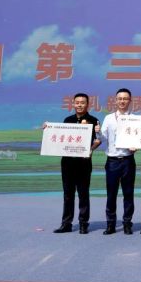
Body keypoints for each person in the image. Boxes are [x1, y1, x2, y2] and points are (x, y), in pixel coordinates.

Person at [50, 93, 101, 234]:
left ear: (88, 104)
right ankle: (66, 223)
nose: (79, 105)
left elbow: (98, 140)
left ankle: (84, 223)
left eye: (82, 102)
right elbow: (61, 138)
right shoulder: (68, 120)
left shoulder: (94, 120)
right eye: (77, 102)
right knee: (68, 194)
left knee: (83, 194)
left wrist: (91, 149)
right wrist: (48, 129)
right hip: (67, 163)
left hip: (84, 163)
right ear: (73, 104)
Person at [99, 88, 137, 235]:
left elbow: (138, 138)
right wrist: (97, 131)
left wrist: (136, 146)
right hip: (112, 161)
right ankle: (111, 224)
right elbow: (102, 137)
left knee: (128, 194)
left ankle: (127, 223)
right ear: (115, 101)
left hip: (128, 160)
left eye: (125, 99)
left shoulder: (134, 118)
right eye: (120, 99)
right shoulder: (108, 118)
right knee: (111, 194)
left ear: (130, 101)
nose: (122, 101)